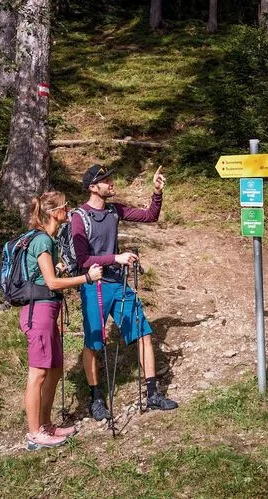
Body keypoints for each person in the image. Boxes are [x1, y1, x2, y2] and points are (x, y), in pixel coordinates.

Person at [72, 164, 178, 421]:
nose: (112, 182)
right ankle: (96, 399)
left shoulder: (113, 210)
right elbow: (82, 260)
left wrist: (157, 192)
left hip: (119, 285)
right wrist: (115, 258)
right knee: (93, 344)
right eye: (106, 180)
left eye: (110, 178)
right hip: (94, 286)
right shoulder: (79, 217)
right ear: (92, 187)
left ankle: (152, 394)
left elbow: (150, 216)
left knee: (143, 333)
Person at [21, 191, 103, 450]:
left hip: (49, 310)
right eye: (65, 206)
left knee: (55, 370)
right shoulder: (42, 240)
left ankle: (45, 425)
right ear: (54, 212)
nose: (68, 210)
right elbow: (52, 283)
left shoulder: (48, 240)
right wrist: (86, 278)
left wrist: (60, 267)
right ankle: (34, 434)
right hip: (39, 311)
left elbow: (47, 275)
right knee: (38, 373)